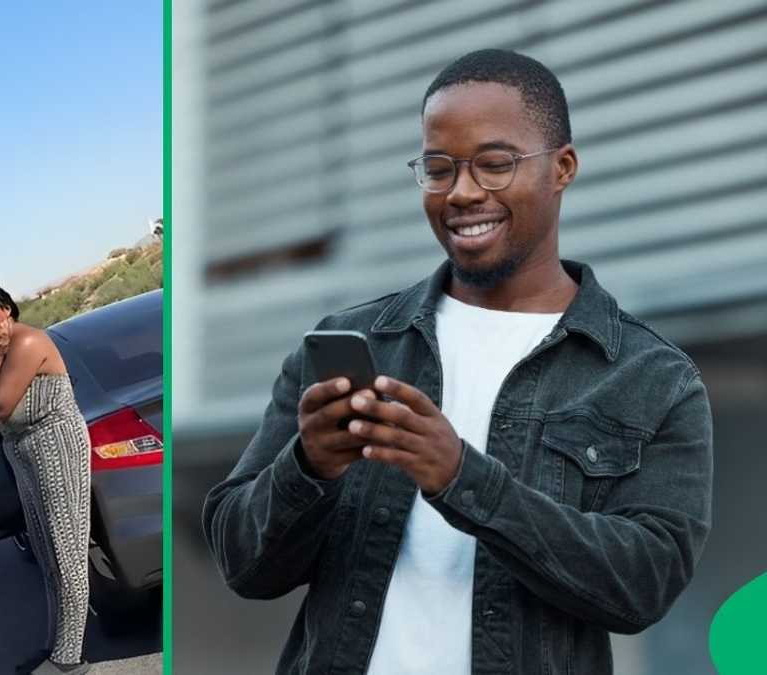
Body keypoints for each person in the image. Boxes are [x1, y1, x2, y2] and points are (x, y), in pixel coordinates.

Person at [202, 49, 713, 675]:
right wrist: (307, 467)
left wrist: (461, 479)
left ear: (563, 168)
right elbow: (242, 564)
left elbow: (643, 585)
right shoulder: (352, 340)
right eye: (438, 168)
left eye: (495, 165)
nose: (463, 193)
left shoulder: (652, 378)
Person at [0, 282, 92, 675]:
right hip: (24, 453)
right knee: (46, 554)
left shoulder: (23, 344)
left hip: (55, 446)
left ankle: (69, 660)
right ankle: (53, 647)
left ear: (7, 309)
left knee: (67, 551)